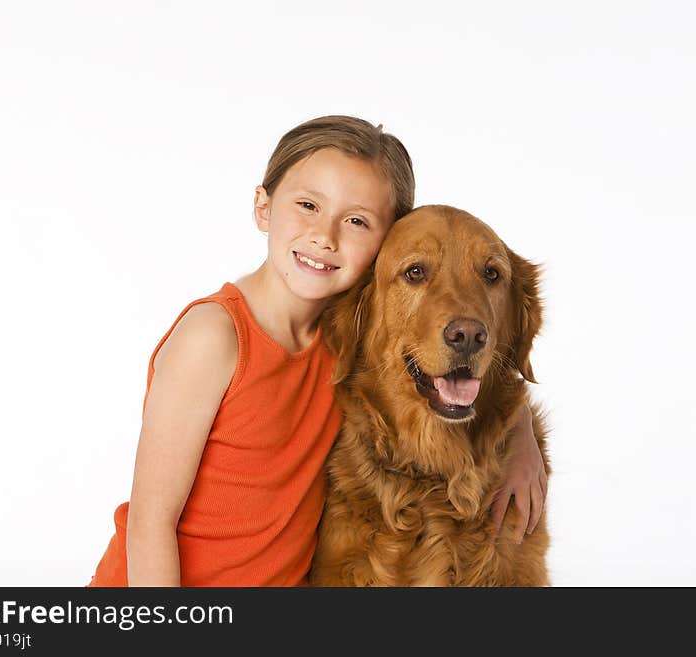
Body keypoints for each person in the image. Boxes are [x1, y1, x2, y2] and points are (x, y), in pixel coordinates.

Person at [87, 115, 547, 587]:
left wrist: (521, 432)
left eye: (356, 221)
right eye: (307, 205)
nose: (325, 236)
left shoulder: (347, 342)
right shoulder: (213, 337)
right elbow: (149, 524)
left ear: (382, 241)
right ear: (263, 207)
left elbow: (468, 379)